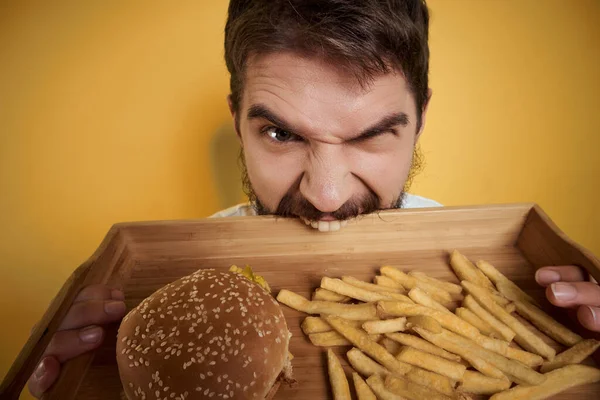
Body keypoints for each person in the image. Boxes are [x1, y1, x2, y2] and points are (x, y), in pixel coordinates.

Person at [27, 0, 600, 397]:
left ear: (421, 118)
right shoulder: (186, 284)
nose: (327, 195)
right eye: (281, 134)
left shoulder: (476, 276)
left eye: (373, 134)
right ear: (237, 121)